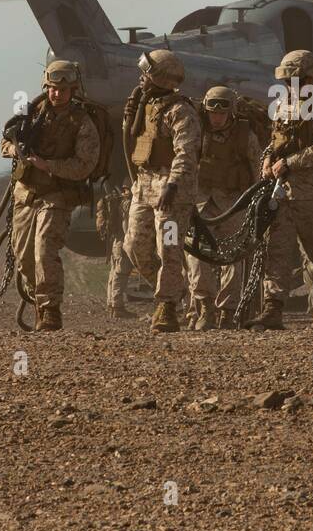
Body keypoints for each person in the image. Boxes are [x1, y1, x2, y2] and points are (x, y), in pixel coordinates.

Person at [0, 60, 99, 332]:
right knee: (24, 257)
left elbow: (85, 165)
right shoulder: (31, 112)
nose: (57, 94)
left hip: (57, 195)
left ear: (73, 90)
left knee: (44, 250)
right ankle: (39, 303)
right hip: (26, 193)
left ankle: (50, 310)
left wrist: (49, 166)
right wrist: (14, 149)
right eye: (53, 88)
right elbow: (5, 139)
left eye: (63, 90)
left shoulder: (82, 122)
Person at [249, 49, 313, 330]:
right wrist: (268, 159)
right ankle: (273, 310)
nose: (291, 86)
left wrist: (289, 163)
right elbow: (276, 140)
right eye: (287, 81)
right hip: (283, 193)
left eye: (296, 80)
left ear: (311, 79)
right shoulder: (283, 105)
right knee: (276, 251)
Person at [122, 49, 200, 334]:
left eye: (146, 74)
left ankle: (167, 306)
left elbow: (186, 152)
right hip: (144, 184)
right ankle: (174, 290)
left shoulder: (181, 111)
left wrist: (173, 184)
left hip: (170, 190)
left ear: (161, 79)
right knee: (134, 245)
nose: (141, 79)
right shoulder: (145, 106)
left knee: (168, 249)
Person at [186, 86, 261, 330]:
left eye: (221, 113)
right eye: (212, 112)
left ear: (232, 112)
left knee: (233, 257)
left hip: (233, 202)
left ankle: (228, 310)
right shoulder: (196, 132)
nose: (216, 118)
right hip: (201, 202)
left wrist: (256, 201)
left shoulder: (246, 136)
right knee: (196, 254)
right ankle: (204, 306)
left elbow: (257, 169)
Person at [96, 183, 137, 319]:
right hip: (123, 240)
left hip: (116, 241)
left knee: (114, 272)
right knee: (121, 272)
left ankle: (112, 305)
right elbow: (126, 225)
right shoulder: (127, 203)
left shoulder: (118, 200)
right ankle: (117, 307)